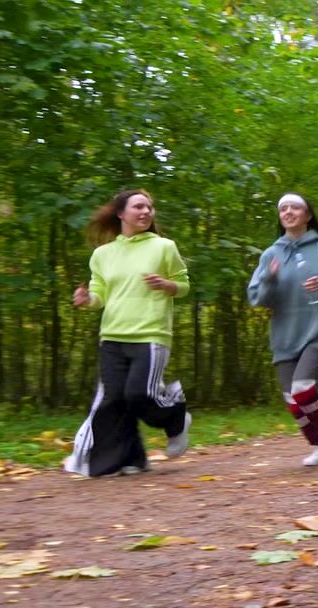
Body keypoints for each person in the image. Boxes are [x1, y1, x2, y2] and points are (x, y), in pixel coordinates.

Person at [65, 189, 192, 477]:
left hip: (151, 333)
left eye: (149, 207)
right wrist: (87, 299)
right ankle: (128, 458)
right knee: (114, 400)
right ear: (121, 213)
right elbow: (99, 295)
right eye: (139, 207)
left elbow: (184, 285)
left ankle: (176, 416)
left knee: (139, 393)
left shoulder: (164, 247)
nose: (146, 212)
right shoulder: (102, 255)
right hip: (112, 335)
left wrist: (167, 285)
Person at [247, 193, 318, 466]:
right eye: (283, 208)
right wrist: (269, 279)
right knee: (291, 398)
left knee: (303, 387)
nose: (288, 212)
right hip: (284, 335)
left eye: (295, 207)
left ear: (307, 215)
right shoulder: (271, 254)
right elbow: (257, 298)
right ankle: (317, 446)